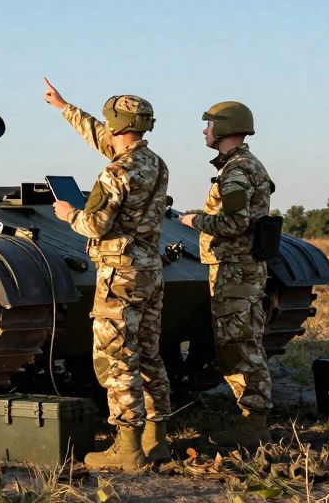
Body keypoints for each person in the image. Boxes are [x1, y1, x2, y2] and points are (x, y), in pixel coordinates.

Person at [43, 77, 171, 472]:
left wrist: (70, 215)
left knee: (117, 360)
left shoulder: (114, 173)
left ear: (116, 124)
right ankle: (156, 438)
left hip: (119, 275)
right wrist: (65, 107)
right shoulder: (154, 163)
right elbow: (106, 140)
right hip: (150, 271)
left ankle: (128, 449)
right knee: (149, 355)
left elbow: (96, 225)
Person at [178, 101, 274, 448]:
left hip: (235, 269)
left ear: (222, 129)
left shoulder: (237, 170)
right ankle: (254, 421)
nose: (204, 131)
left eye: (208, 126)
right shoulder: (245, 166)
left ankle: (253, 425)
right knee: (243, 343)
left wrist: (194, 221)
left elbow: (234, 223)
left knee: (240, 347)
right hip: (240, 268)